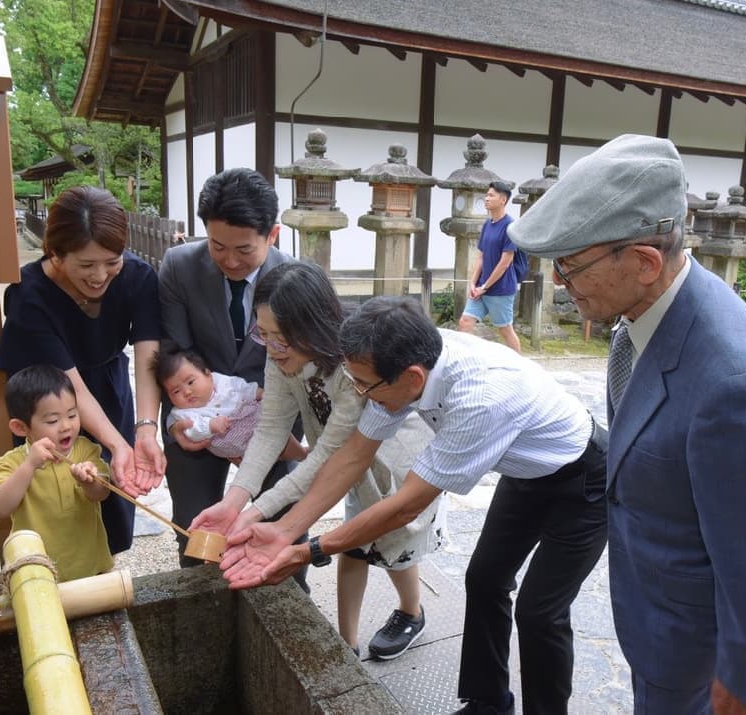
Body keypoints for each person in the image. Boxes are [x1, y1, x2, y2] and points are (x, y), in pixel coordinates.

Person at [508, 133, 746, 715]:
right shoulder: (645, 318)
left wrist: (744, 689)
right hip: (659, 625)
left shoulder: (732, 384)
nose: (561, 285)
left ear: (645, 261)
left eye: (570, 268)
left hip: (694, 658)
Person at [222, 297, 608, 715]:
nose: (360, 393)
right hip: (525, 474)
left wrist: (308, 549)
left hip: (584, 480)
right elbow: (353, 456)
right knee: (484, 580)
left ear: (411, 377)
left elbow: (405, 506)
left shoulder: (478, 398)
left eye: (365, 386)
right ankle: (489, 703)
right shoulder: (403, 361)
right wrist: (282, 530)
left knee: (539, 612)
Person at [191, 263, 444, 660]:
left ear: (314, 327)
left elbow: (327, 454)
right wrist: (235, 502)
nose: (272, 349)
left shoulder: (353, 367)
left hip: (390, 460)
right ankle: (347, 644)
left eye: (283, 339)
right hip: (343, 465)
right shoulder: (279, 356)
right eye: (264, 335)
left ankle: (411, 611)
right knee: (353, 543)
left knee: (395, 541)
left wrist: (258, 511)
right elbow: (271, 427)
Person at [0, 186, 165, 555]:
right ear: (54, 253)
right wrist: (119, 444)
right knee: (55, 501)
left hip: (109, 388)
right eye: (86, 265)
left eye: (111, 261)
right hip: (51, 405)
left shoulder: (138, 277)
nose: (100, 275)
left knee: (112, 501)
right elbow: (73, 388)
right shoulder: (30, 295)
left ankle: (103, 574)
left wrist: (145, 430)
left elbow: (149, 356)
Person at [158, 167, 300, 568]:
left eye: (244, 250)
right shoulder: (178, 266)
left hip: (270, 413)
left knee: (279, 527)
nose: (230, 260)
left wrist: (251, 431)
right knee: (194, 526)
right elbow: (174, 353)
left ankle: (286, 600)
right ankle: (202, 601)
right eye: (218, 246)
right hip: (195, 411)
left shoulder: (295, 278)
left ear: (272, 234)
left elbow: (298, 367)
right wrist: (183, 421)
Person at [0, 365, 112, 582]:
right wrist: (28, 466)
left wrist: (89, 482)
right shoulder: (13, 463)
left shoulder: (85, 450)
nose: (66, 426)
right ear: (20, 428)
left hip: (91, 569)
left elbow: (102, 493)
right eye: (52, 421)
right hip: (38, 574)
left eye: (72, 415)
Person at [151, 343, 307, 462]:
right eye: (176, 391)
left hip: (251, 417)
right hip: (230, 441)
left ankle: (301, 454)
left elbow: (241, 387)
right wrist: (210, 426)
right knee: (253, 459)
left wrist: (259, 393)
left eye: (191, 382)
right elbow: (193, 431)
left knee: (276, 428)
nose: (187, 392)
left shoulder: (220, 381)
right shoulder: (183, 413)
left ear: (207, 375)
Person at [458, 180, 522, 353]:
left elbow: (505, 263)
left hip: (500, 289)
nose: (486, 198)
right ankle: (465, 360)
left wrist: (485, 287)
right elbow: (481, 256)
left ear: (503, 200)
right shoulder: (487, 224)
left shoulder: (510, 226)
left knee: (505, 330)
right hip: (480, 288)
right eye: (486, 195)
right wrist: (473, 283)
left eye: (491, 195)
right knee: (465, 322)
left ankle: (519, 366)